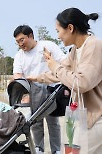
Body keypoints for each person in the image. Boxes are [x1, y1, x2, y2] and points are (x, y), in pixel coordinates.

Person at [26, 8, 102, 154]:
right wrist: (36, 78)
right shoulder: (76, 50)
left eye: (58, 31)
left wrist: (54, 65)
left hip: (95, 119)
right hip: (80, 117)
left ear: (70, 28)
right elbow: (61, 73)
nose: (58, 36)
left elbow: (82, 83)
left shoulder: (94, 46)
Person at [13, 25, 67, 154]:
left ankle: (56, 150)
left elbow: (64, 61)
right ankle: (39, 148)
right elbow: (18, 75)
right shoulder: (19, 56)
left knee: (53, 121)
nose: (20, 44)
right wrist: (25, 92)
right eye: (17, 42)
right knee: (35, 121)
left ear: (31, 36)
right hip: (33, 91)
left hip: (51, 89)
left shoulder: (48, 46)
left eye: (22, 40)